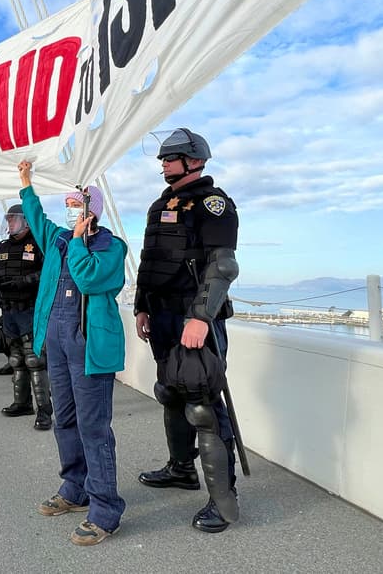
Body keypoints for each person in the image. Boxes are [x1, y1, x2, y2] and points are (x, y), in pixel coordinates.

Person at [133, 128, 242, 534]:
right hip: (161, 317)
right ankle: (181, 469)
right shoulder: (159, 205)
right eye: (163, 159)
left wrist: (199, 317)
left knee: (203, 404)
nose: (164, 164)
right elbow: (150, 261)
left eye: (170, 158)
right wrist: (142, 306)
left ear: (194, 160)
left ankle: (224, 502)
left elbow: (222, 266)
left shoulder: (213, 204)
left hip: (194, 319)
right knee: (171, 393)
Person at [17, 160, 127, 547]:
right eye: (66, 205)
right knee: (64, 418)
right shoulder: (59, 240)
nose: (69, 211)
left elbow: (88, 278)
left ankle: (106, 509)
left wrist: (79, 241)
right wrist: (26, 183)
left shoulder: (111, 247)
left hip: (89, 346)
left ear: (91, 210)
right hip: (58, 342)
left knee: (93, 426)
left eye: (75, 205)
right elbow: (36, 217)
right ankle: (75, 487)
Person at [0, 205, 48, 428]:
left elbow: (48, 272)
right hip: (9, 311)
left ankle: (44, 411)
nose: (9, 223)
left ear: (26, 221)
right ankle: (22, 403)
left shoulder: (38, 244)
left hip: (30, 310)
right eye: (8, 219)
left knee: (35, 361)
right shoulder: (2, 246)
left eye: (13, 219)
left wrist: (26, 280)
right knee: (16, 360)